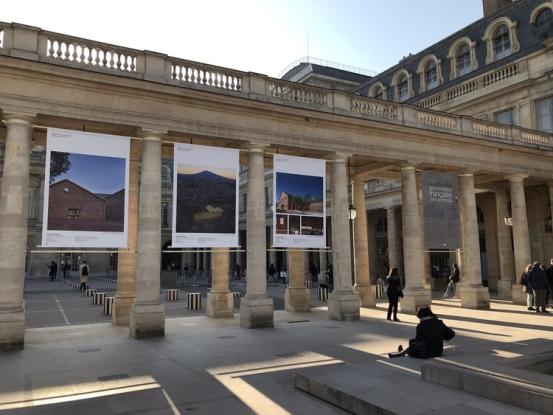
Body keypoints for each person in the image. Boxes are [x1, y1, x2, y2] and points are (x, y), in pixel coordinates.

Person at [389, 306, 455, 358]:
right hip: (438, 352)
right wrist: (440, 336)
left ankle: (400, 354)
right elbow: (452, 334)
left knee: (413, 344)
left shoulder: (421, 326)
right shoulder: (439, 322)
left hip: (425, 351)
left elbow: (418, 341)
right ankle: (401, 353)